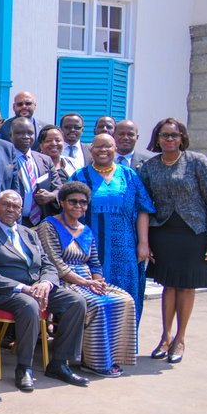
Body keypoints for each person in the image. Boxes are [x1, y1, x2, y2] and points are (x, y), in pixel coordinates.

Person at [0, 190, 89, 392]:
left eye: (16, 206)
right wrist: (24, 288)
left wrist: (46, 284)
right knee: (29, 305)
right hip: (2, 290)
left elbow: (48, 265)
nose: (11, 210)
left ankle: (59, 363)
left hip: (35, 287)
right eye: (6, 204)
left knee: (75, 301)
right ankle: (24, 367)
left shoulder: (29, 233)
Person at [138, 117, 207, 364]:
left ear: (182, 138)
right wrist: (145, 240)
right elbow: (144, 204)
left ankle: (180, 338)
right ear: (157, 139)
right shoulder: (150, 166)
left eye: (174, 135)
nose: (169, 139)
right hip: (163, 232)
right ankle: (165, 337)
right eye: (164, 135)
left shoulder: (197, 161)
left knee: (186, 285)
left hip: (193, 233)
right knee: (168, 285)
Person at [36, 181, 139, 377]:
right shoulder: (49, 226)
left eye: (83, 203)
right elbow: (56, 264)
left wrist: (98, 282)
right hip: (62, 281)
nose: (78, 206)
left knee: (125, 300)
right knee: (96, 304)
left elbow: (95, 263)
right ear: (62, 202)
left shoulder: (86, 229)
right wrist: (86, 284)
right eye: (72, 202)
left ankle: (111, 357)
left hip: (88, 280)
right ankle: (93, 362)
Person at [70, 133, 154, 322]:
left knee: (125, 295)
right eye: (98, 146)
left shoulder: (129, 175)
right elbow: (68, 211)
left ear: (115, 149)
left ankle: (123, 345)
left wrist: (143, 243)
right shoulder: (79, 176)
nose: (103, 150)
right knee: (91, 295)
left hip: (124, 249)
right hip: (89, 247)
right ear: (91, 150)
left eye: (108, 146)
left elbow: (143, 209)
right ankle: (92, 347)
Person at [8, 116, 62, 227]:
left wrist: (51, 195)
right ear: (11, 136)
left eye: (30, 133)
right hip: (14, 222)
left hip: (42, 222)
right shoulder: (4, 158)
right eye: (19, 133)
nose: (26, 137)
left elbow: (60, 188)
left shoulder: (45, 160)